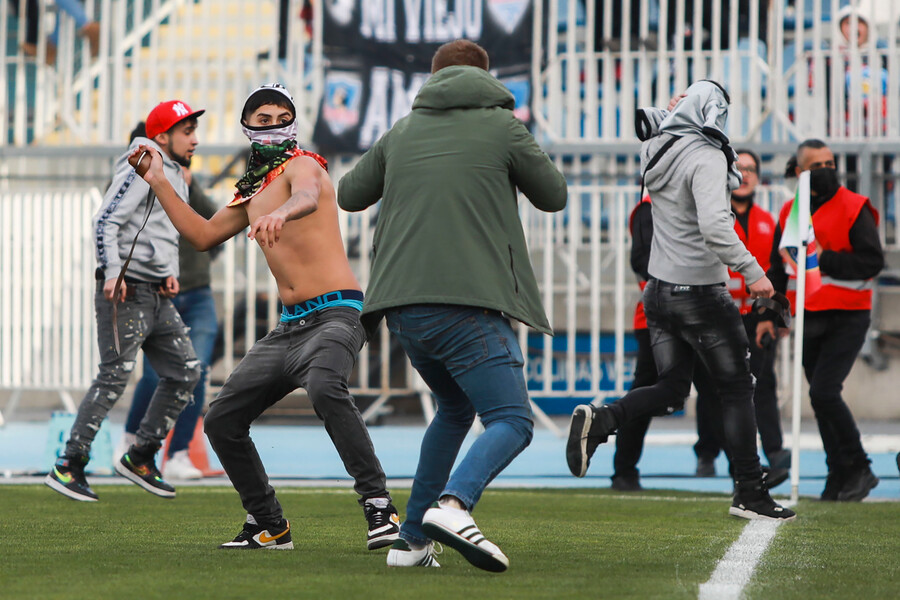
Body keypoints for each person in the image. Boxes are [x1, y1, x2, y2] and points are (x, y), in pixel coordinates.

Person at [127, 83, 400, 552]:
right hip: (290, 326)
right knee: (221, 420)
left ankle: (380, 506)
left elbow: (307, 196)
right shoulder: (251, 188)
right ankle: (269, 525)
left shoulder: (303, 164)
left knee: (325, 387)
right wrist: (157, 181)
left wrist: (283, 213)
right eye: (263, 119)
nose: (274, 126)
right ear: (247, 127)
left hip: (338, 312)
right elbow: (202, 236)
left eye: (281, 117)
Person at [338, 40, 567, 571]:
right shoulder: (504, 126)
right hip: (467, 302)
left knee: (456, 410)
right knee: (512, 419)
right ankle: (454, 506)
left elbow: (349, 194)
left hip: (401, 306)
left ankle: (412, 542)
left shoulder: (402, 130)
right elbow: (554, 195)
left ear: (434, 76)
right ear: (485, 76)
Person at [567, 80, 795, 521]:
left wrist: (679, 112)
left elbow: (677, 138)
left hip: (659, 291)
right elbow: (715, 226)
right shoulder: (706, 154)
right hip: (700, 292)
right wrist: (754, 272)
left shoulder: (657, 147)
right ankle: (750, 491)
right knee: (737, 388)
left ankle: (604, 419)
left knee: (672, 388)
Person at [45, 100, 205, 502]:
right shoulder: (143, 161)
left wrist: (169, 271)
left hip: (155, 290)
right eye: (187, 132)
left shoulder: (173, 170)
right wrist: (113, 271)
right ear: (163, 136)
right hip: (127, 289)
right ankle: (69, 464)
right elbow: (105, 219)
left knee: (185, 371)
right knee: (114, 376)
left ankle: (141, 455)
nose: (195, 140)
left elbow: (163, 229)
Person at [761, 138, 883, 502]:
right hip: (810, 314)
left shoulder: (854, 207)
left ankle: (859, 466)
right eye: (818, 166)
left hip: (849, 313)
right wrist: (770, 315)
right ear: (800, 172)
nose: (828, 170)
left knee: (824, 392)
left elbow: (872, 261)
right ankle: (838, 473)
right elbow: (778, 268)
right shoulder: (790, 211)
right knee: (820, 398)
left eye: (831, 164)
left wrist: (822, 259)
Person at [117, 122, 221, 481]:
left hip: (198, 291)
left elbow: (216, 225)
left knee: (197, 370)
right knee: (155, 375)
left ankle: (178, 454)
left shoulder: (186, 178)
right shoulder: (130, 182)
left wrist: (193, 187)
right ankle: (132, 442)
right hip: (157, 292)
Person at [693, 150, 790, 482]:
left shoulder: (769, 221)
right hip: (717, 314)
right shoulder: (712, 217)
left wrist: (771, 317)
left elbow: (778, 273)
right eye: (739, 168)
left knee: (762, 382)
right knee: (710, 386)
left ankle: (774, 452)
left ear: (759, 177)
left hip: (755, 316)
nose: (745, 174)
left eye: (751, 169)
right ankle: (707, 452)